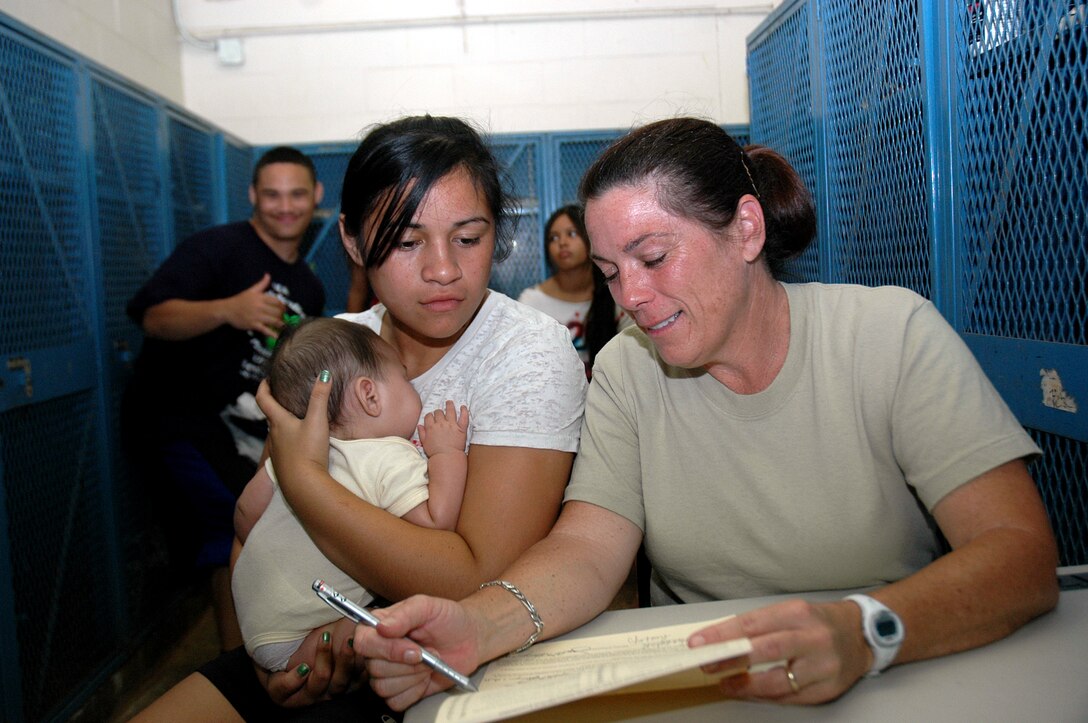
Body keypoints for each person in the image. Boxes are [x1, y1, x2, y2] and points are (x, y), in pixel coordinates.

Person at [354, 117, 1060, 711]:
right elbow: (588, 549)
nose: (629, 295)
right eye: (609, 271)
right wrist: (475, 626)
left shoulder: (889, 334)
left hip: (903, 673)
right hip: (712, 688)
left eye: (653, 256)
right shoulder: (629, 369)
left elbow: (1019, 554)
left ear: (746, 230)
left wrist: (864, 629)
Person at [131, 115, 587, 722]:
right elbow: (251, 525)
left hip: (454, 666)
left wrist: (307, 482)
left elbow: (475, 579)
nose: (442, 269)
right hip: (300, 645)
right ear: (351, 240)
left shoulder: (525, 351)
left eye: (468, 239)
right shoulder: (332, 349)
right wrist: (272, 662)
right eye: (405, 241)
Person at [122, 146, 326, 650]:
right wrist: (228, 309)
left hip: (240, 432)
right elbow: (151, 316)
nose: (285, 206)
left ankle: (254, 661)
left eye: (297, 194)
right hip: (178, 422)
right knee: (232, 532)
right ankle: (239, 676)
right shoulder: (216, 248)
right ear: (252, 195)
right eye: (272, 194)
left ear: (316, 197)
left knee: (254, 531)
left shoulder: (308, 285)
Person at [232, 316, 470, 674]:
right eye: (405, 379)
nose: (415, 390)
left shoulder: (294, 454)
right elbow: (435, 524)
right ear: (369, 396)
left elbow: (245, 516)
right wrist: (447, 453)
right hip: (299, 635)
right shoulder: (388, 455)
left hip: (251, 612)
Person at [517, 204, 630, 372]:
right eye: (553, 238)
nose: (562, 243)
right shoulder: (531, 301)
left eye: (572, 234)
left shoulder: (617, 294)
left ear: (591, 239)